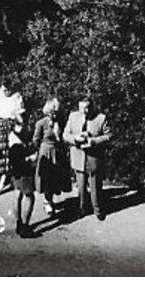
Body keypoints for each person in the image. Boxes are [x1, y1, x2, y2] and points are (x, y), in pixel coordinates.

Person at [61, 92, 112, 221]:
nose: (84, 111)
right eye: (81, 108)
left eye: (87, 107)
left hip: (94, 159)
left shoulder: (101, 118)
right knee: (81, 186)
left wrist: (93, 141)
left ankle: (98, 210)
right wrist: (75, 139)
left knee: (95, 187)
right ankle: (82, 208)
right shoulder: (73, 117)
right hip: (78, 158)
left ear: (92, 106)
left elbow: (109, 136)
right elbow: (65, 134)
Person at [0, 76, 25, 197]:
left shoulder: (16, 97)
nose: (7, 92)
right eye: (5, 90)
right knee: (1, 154)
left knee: (12, 154)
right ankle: (3, 181)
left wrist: (17, 125)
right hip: (0, 126)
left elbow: (20, 117)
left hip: (12, 126)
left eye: (9, 89)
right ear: (0, 88)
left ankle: (8, 181)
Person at [32, 97, 64, 220]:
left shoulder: (59, 122)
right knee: (46, 178)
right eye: (52, 112)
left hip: (56, 152)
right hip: (45, 151)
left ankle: (51, 200)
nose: (53, 114)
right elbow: (35, 139)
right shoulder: (41, 123)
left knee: (54, 178)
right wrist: (38, 151)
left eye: (55, 112)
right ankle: (47, 202)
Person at [6, 118, 38, 237]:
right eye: (20, 125)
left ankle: (19, 223)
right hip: (24, 172)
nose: (24, 128)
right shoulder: (17, 143)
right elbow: (18, 160)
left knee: (17, 195)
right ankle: (25, 225)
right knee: (29, 196)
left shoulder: (12, 138)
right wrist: (30, 158)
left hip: (15, 173)